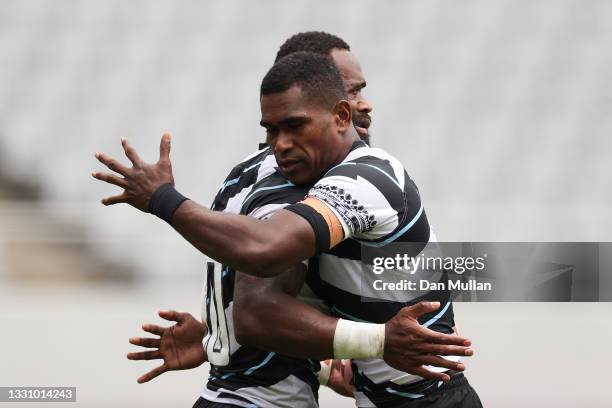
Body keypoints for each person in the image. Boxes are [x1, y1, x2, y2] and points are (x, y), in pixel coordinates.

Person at [94, 47, 480, 407]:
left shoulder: (262, 176)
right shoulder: (296, 185)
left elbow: (267, 297)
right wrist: (163, 200)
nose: (280, 144)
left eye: (359, 90)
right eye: (273, 129)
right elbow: (259, 303)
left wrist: (220, 338)